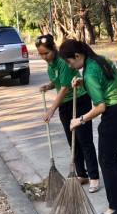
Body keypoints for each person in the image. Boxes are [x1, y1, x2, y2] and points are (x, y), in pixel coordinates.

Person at [59, 39, 117, 214]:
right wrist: (82, 82)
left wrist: (80, 120)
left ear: (77, 56)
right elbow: (103, 82)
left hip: (114, 114)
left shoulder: (90, 72)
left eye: (69, 62)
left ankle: (115, 207)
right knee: (113, 157)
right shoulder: (99, 59)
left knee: (106, 160)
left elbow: (100, 107)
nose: (70, 66)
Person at [35, 34, 100, 193]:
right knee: (73, 141)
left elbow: (64, 88)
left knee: (84, 140)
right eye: (41, 54)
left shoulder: (63, 62)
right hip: (65, 106)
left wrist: (51, 110)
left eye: (46, 53)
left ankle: (94, 178)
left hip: (79, 101)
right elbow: (58, 82)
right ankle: (81, 174)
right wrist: (48, 86)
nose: (44, 57)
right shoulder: (51, 64)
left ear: (53, 49)